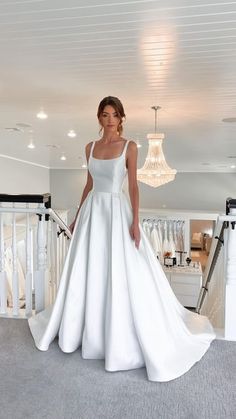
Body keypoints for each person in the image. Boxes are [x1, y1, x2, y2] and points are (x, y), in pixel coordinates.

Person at [28, 96, 216, 382]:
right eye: (105, 115)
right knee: (90, 267)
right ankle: (85, 327)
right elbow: (89, 184)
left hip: (117, 211)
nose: (110, 120)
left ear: (121, 118)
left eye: (114, 115)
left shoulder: (130, 146)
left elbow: (133, 187)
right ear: (99, 118)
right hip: (93, 211)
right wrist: (78, 216)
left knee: (120, 267)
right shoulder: (89, 147)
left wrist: (135, 221)